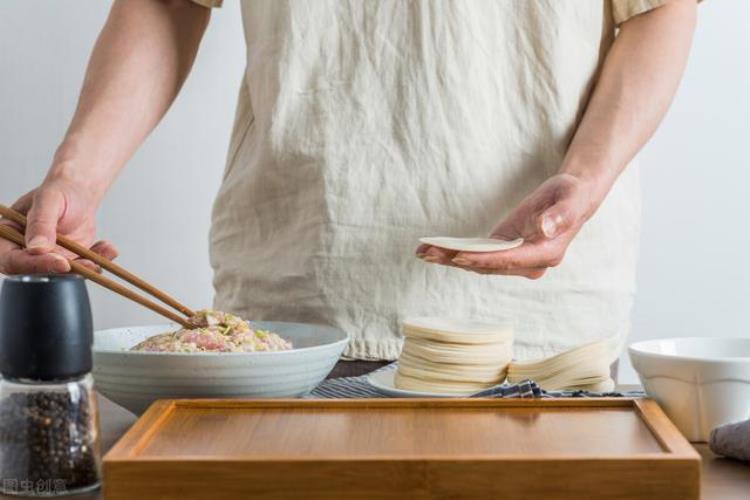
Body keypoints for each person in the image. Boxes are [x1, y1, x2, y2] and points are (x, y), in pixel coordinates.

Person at [0, 0, 697, 378]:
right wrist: (77, 177)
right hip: (300, 317)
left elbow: (660, 8)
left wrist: (587, 176)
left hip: (541, 323)